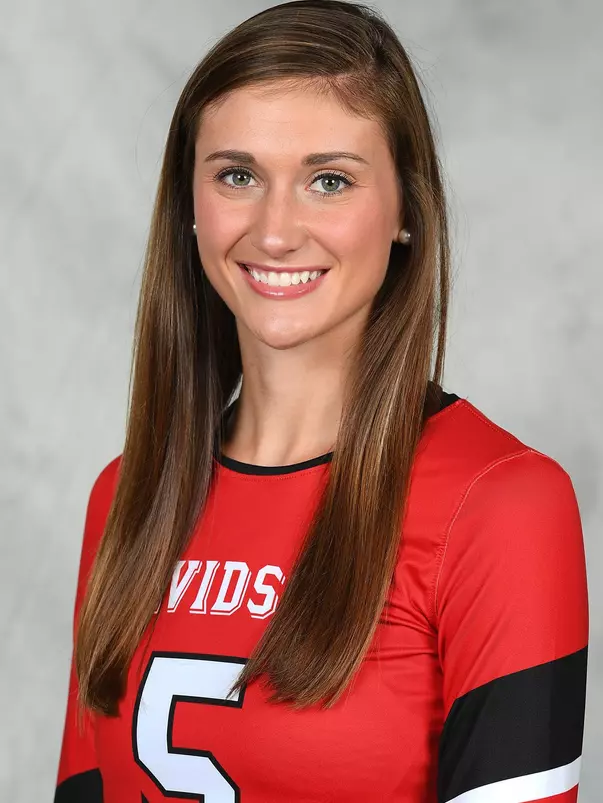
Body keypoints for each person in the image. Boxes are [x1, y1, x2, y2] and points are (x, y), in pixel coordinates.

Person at [53, 2, 589, 801]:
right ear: (188, 205)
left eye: (328, 180)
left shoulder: (500, 504)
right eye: (237, 175)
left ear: (404, 211)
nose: (275, 232)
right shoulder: (128, 495)